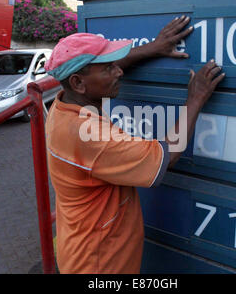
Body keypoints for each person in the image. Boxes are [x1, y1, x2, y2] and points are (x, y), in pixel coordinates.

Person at [44, 16, 225, 274]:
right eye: (108, 68)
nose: (119, 71)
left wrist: (154, 47)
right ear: (78, 83)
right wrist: (196, 97)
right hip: (98, 266)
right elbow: (167, 155)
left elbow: (98, 71)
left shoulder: (65, 106)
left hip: (80, 250)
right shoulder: (90, 136)